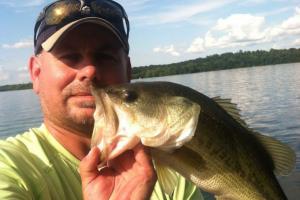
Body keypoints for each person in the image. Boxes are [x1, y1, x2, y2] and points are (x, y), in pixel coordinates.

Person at [0, 0, 202, 199]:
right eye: (70, 56)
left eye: (105, 57)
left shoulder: (171, 166)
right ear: (36, 74)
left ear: (128, 71)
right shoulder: (8, 167)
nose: (90, 70)